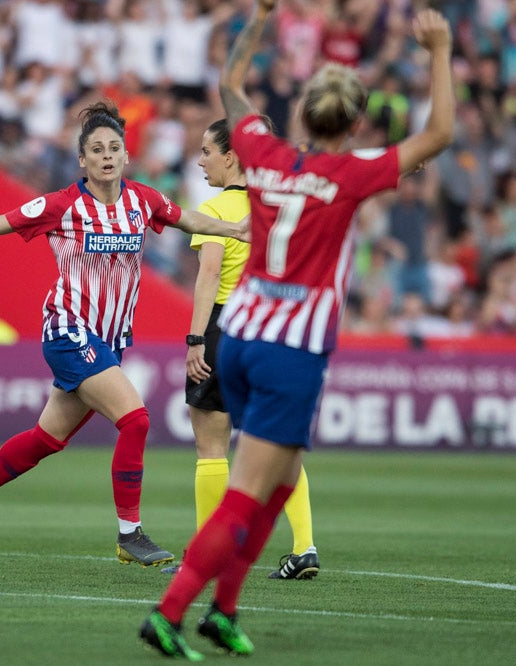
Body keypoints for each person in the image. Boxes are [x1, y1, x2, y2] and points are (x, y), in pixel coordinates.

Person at [140, 1, 454, 658]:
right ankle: (169, 615)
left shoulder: (262, 152)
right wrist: (440, 53)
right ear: (355, 123)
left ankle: (224, 612)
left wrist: (257, 22)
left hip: (240, 333)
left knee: (279, 481)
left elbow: (230, 84)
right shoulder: (351, 175)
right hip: (291, 350)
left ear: (304, 115)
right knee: (247, 494)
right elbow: (439, 135)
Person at [0, 101, 250, 568]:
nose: (107, 156)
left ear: (126, 155)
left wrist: (234, 229)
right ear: (82, 159)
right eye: (97, 149)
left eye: (114, 148)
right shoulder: (61, 205)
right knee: (135, 420)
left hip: (108, 340)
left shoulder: (144, 200)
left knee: (47, 438)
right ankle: (129, 534)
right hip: (69, 329)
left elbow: (189, 219)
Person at [170, 117, 320, 580]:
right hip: (273, 327)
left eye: (207, 151)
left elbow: (209, 275)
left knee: (211, 447)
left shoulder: (216, 208)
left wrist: (196, 339)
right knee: (279, 444)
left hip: (225, 326)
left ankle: (205, 554)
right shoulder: (277, 203)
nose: (200, 161)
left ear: (231, 156)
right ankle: (304, 547)